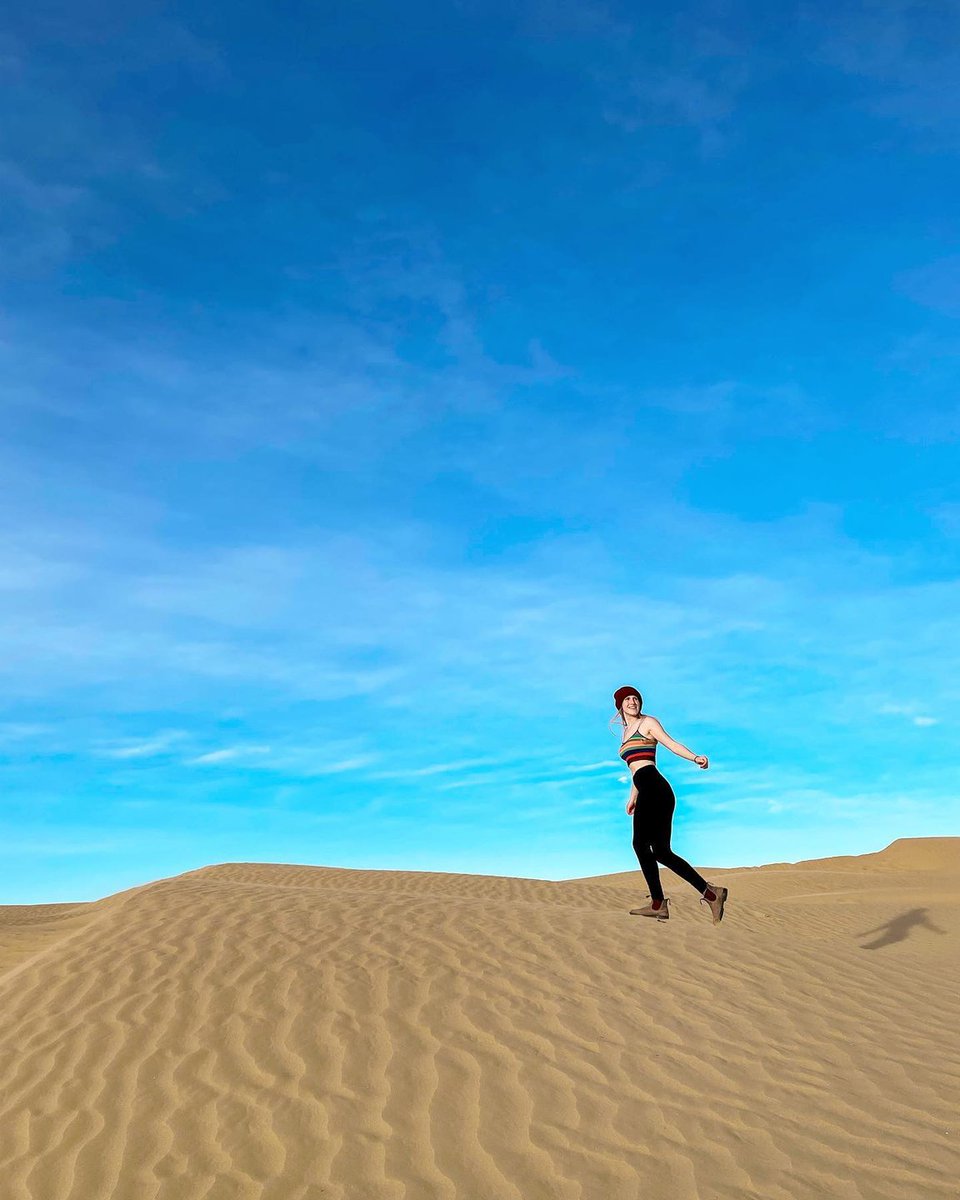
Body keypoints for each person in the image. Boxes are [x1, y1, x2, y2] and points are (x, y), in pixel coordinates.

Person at [611, 685, 728, 923]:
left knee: (644, 846)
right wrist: (633, 797)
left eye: (636, 698)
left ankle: (658, 903)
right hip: (645, 789)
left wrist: (695, 757)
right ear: (620, 706)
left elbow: (671, 744)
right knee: (659, 851)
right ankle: (711, 894)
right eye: (628, 699)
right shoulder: (626, 733)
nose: (633, 702)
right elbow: (636, 766)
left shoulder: (648, 723)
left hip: (656, 788)